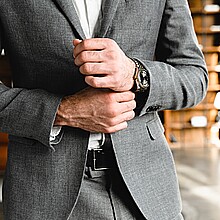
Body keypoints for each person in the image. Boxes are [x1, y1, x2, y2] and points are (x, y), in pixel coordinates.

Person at [0, 0, 208, 219]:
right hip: (42, 193)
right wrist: (63, 111)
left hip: (148, 191)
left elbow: (195, 77)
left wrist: (134, 74)